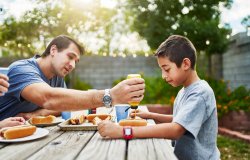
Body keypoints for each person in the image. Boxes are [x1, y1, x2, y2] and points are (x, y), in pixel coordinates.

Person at [97, 35, 220, 160]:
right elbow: (181, 120)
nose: (163, 76)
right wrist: (151, 116)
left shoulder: (200, 93)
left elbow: (176, 130)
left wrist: (123, 132)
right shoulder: (185, 91)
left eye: (167, 69)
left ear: (186, 64)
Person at [0, 35, 145, 120]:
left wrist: (34, 114)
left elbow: (62, 106)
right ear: (53, 50)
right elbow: (49, 98)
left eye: (76, 61)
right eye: (70, 57)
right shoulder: (22, 69)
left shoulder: (57, 77)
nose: (72, 65)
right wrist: (109, 96)